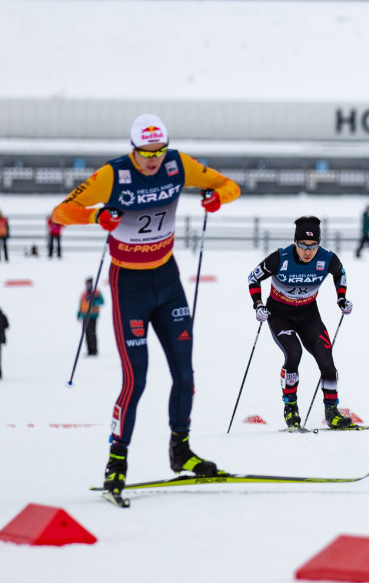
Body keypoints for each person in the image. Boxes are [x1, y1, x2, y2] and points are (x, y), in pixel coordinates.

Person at [51, 114, 241, 498]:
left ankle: (181, 452)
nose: (153, 160)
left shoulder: (178, 164)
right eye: (145, 153)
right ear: (132, 149)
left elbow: (229, 185)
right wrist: (97, 216)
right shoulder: (113, 175)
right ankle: (117, 462)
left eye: (158, 151)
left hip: (167, 281)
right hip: (129, 286)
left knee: (185, 374)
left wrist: (217, 196)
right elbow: (61, 212)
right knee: (136, 380)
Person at [248, 216, 355, 430]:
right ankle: (291, 407)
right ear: (295, 243)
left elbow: (340, 273)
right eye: (303, 246)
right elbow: (253, 277)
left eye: (313, 246)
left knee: (327, 362)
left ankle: (332, 411)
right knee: (294, 353)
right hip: (280, 315)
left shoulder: (326, 259)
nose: (308, 251)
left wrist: (341, 297)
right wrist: (258, 304)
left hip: (308, 315)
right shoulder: (280, 258)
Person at [78, 277, 105, 356]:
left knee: (92, 333)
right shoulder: (84, 294)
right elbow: (81, 304)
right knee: (86, 333)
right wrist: (79, 313)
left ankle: (94, 350)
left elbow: (102, 301)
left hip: (92, 315)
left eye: (89, 283)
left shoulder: (96, 292)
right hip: (84, 316)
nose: (87, 285)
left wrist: (94, 302)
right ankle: (89, 350)